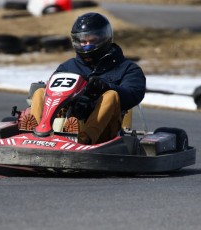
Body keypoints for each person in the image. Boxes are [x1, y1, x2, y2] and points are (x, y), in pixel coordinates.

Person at [23, 12, 146, 145]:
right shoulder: (68, 67)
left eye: (92, 41)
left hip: (105, 130)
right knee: (41, 92)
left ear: (104, 38)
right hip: (67, 120)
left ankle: (84, 138)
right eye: (83, 41)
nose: (86, 45)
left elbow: (134, 93)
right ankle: (35, 133)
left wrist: (106, 87)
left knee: (111, 95)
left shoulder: (127, 68)